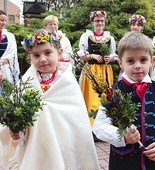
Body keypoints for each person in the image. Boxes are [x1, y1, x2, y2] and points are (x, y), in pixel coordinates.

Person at [0, 29, 100, 170]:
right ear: (30, 57)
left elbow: (77, 122)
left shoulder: (68, 82)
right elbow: (15, 112)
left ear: (59, 53)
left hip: (63, 144)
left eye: (48, 53)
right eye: (36, 55)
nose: (42, 59)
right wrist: (17, 129)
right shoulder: (26, 81)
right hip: (35, 143)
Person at [93, 31, 155, 170]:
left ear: (151, 61)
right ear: (120, 63)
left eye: (143, 60)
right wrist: (122, 136)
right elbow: (99, 126)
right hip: (123, 163)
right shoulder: (113, 92)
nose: (138, 65)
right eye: (130, 61)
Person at [77, 10, 118, 126]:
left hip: (105, 71)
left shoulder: (110, 38)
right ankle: (90, 125)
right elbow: (81, 56)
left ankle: (103, 125)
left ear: (104, 22)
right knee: (91, 98)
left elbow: (113, 54)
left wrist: (110, 58)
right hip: (91, 70)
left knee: (104, 98)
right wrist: (92, 55)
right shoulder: (86, 36)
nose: (99, 23)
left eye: (101, 21)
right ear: (92, 22)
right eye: (97, 21)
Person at [118, 14, 146, 80]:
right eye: (133, 25)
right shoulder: (124, 39)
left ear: (142, 27)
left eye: (138, 25)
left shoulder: (145, 40)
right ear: (130, 26)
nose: (135, 27)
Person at [0, 10, 20, 84]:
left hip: (6, 71)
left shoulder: (10, 36)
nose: (4, 23)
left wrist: (1, 63)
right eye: (2, 20)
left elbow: (13, 54)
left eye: (5, 20)